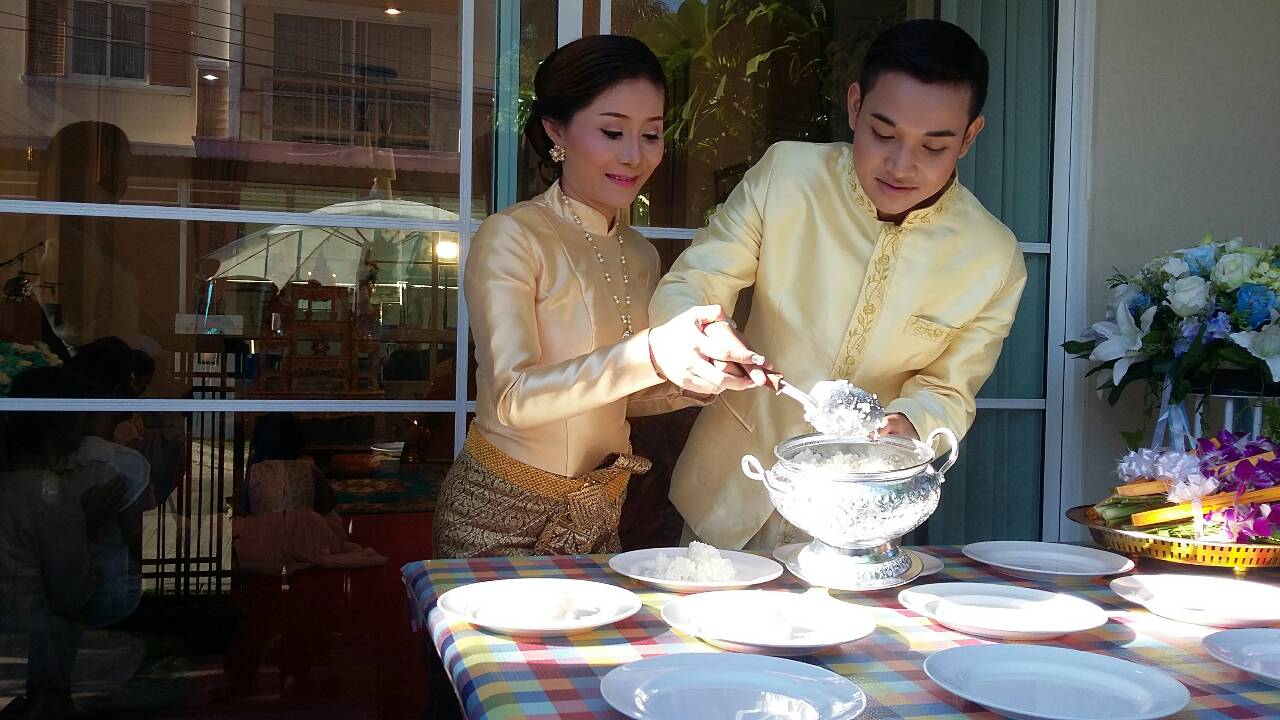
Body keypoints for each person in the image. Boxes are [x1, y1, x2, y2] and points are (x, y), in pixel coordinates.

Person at [649, 19, 1029, 550]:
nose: (901, 166)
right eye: (883, 134)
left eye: (933, 147)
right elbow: (697, 279)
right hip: (732, 486)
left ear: (968, 137)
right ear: (854, 106)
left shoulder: (993, 257)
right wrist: (698, 333)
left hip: (860, 514)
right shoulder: (787, 176)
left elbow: (949, 389)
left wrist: (908, 425)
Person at [431, 35, 764, 559]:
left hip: (597, 511)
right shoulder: (513, 235)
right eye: (612, 132)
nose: (634, 156)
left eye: (650, 134)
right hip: (499, 511)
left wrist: (695, 381)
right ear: (556, 130)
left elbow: (614, 395)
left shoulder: (640, 252)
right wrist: (654, 353)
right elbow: (511, 399)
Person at [0, 367, 129, 720]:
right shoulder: (51, 494)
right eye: (81, 415)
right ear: (58, 426)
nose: (88, 425)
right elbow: (72, 594)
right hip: (34, 658)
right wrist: (88, 528)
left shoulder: (21, 485)